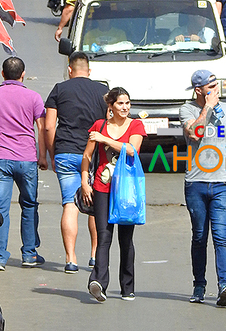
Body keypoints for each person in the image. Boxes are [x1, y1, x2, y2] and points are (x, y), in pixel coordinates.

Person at [179, 69, 226, 307]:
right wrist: (208, 108)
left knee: (221, 237)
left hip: (223, 182)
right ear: (199, 90)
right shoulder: (187, 110)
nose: (216, 89)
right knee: (200, 236)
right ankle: (199, 285)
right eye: (210, 86)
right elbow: (194, 133)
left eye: (216, 85)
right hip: (196, 183)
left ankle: (225, 285)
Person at [0, 56, 48, 271]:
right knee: (29, 205)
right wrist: (42, 156)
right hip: (27, 159)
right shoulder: (34, 97)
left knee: (0, 208)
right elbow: (42, 128)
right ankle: (29, 254)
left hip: (0, 158)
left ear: (3, 74)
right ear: (23, 74)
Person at [81, 87, 146, 302]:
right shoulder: (99, 126)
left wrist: (105, 140)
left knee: (126, 239)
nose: (125, 107)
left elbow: (132, 150)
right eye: (120, 103)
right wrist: (84, 181)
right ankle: (98, 282)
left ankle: (128, 287)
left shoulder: (136, 125)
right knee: (104, 236)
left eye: (127, 103)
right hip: (102, 186)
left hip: (126, 189)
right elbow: (87, 156)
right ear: (111, 106)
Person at [44, 51, 107, 273]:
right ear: (89, 71)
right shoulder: (103, 91)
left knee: (70, 204)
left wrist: (52, 153)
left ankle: (71, 259)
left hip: (66, 151)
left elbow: (49, 126)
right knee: (95, 205)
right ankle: (94, 254)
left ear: (69, 70)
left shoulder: (59, 89)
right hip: (94, 154)